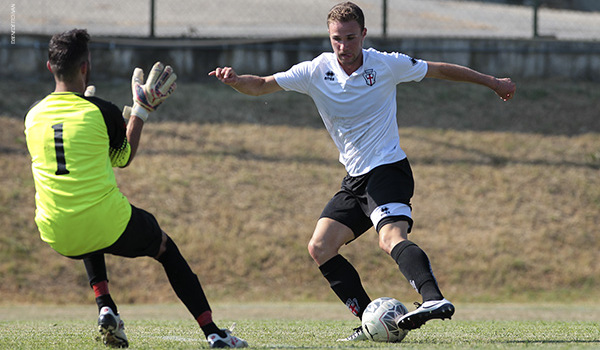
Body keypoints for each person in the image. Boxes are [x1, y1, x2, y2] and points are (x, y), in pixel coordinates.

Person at [210, 1, 516, 342]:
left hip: (387, 169)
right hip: (354, 180)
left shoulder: (385, 64)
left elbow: (441, 70)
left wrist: (492, 82)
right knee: (320, 247)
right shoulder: (315, 71)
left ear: (364, 35)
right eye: (337, 39)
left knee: (390, 239)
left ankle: (434, 299)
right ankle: (373, 323)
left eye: (351, 38)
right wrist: (235, 81)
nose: (344, 46)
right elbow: (263, 84)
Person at [24, 29, 248, 348]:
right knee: (165, 249)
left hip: (55, 231)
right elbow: (123, 157)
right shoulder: (101, 111)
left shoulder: (32, 116)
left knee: (85, 223)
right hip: (105, 223)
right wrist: (140, 110)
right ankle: (214, 332)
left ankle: (106, 308)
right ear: (86, 66)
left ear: (49, 67)